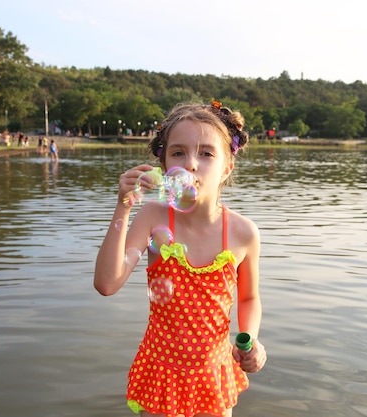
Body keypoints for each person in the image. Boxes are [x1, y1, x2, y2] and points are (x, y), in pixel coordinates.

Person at [94, 101, 266, 417]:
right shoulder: (151, 216)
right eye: (178, 152)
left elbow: (250, 297)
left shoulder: (243, 233)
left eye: (206, 153)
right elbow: (106, 283)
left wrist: (251, 339)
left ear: (227, 166)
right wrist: (123, 206)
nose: (190, 164)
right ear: (163, 165)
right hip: (162, 374)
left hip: (212, 376)